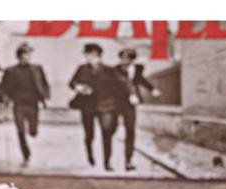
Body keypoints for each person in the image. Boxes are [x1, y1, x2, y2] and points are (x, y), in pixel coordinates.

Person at [68, 43, 119, 171]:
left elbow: (118, 87)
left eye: (89, 55)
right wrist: (79, 87)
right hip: (87, 106)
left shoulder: (109, 70)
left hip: (105, 106)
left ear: (97, 55)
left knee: (107, 132)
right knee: (89, 134)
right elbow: (72, 82)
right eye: (86, 55)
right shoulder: (82, 69)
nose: (87, 57)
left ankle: (107, 162)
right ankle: (90, 156)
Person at [1, 43, 50, 166]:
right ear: (19, 56)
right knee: (20, 130)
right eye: (25, 54)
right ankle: (26, 154)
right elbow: (3, 87)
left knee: (33, 131)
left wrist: (45, 97)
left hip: (33, 104)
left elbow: (45, 84)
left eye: (29, 54)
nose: (27, 57)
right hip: (18, 104)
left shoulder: (37, 69)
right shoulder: (11, 71)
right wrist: (5, 100)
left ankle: (33, 130)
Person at [114, 48, 160, 171]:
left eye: (127, 58)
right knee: (110, 128)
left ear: (132, 59)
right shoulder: (115, 70)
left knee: (130, 130)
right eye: (122, 58)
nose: (124, 61)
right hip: (116, 103)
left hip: (130, 104)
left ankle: (128, 160)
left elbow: (141, 80)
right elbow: (121, 82)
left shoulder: (137, 69)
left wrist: (152, 89)